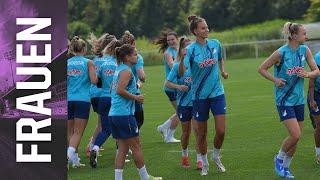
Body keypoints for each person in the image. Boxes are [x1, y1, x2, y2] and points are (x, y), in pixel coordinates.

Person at [258, 22, 319, 178]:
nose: (306, 36)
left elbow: (316, 71)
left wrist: (307, 74)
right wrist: (276, 80)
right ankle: (278, 159)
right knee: (296, 135)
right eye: (304, 33)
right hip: (284, 100)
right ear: (294, 36)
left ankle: (285, 168)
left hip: (298, 100)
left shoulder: (305, 50)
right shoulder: (281, 53)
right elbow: (262, 68)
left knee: (295, 139)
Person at [179, 15, 229, 176]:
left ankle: (215, 155)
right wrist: (181, 58)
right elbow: (181, 72)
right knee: (202, 133)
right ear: (195, 31)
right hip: (199, 96)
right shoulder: (191, 50)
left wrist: (222, 71)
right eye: (203, 28)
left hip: (217, 92)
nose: (207, 29)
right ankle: (205, 162)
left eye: (207, 27)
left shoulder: (216, 43)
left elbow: (220, 58)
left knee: (221, 130)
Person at [109, 44, 161, 180]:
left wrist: (135, 86)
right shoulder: (126, 71)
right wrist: (136, 97)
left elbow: (112, 89)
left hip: (114, 114)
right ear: (127, 57)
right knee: (136, 146)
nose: (137, 56)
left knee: (122, 149)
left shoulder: (119, 69)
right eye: (135, 54)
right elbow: (120, 90)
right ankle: (145, 177)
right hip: (124, 114)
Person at [165, 36, 203, 169]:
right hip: (184, 104)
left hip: (197, 103)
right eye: (185, 47)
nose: (187, 49)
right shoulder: (177, 66)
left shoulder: (198, 64)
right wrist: (179, 87)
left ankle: (200, 160)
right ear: (181, 50)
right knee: (186, 133)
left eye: (190, 47)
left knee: (198, 131)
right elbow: (167, 83)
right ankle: (185, 155)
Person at [89, 39, 122, 168]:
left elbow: (98, 82)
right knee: (120, 127)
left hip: (103, 99)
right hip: (116, 99)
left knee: (106, 128)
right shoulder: (120, 65)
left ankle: (95, 148)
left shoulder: (104, 64)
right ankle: (120, 155)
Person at [67, 36, 97, 168]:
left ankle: (75, 160)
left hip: (68, 99)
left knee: (70, 132)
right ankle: (68, 156)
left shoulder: (67, 63)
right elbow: (94, 81)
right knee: (78, 132)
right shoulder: (88, 62)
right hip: (82, 99)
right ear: (84, 49)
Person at [86, 33, 116, 157]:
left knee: (101, 123)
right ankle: (92, 145)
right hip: (104, 94)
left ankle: (93, 145)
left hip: (94, 93)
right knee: (107, 123)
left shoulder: (96, 59)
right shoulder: (111, 60)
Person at [154, 30, 181, 143]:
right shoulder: (168, 53)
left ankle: (163, 127)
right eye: (168, 40)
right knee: (181, 112)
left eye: (172, 39)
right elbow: (173, 67)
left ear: (177, 39)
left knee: (181, 111)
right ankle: (169, 136)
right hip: (172, 87)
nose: (170, 42)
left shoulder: (180, 50)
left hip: (178, 86)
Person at [121, 30, 146, 129]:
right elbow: (141, 76)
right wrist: (140, 82)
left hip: (118, 93)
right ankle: (132, 141)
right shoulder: (137, 57)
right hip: (133, 92)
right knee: (138, 120)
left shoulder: (117, 57)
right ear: (134, 43)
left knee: (123, 119)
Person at [307, 51, 320, 164]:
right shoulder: (318, 57)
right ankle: (318, 154)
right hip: (316, 94)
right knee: (319, 126)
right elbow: (312, 79)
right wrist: (312, 100)